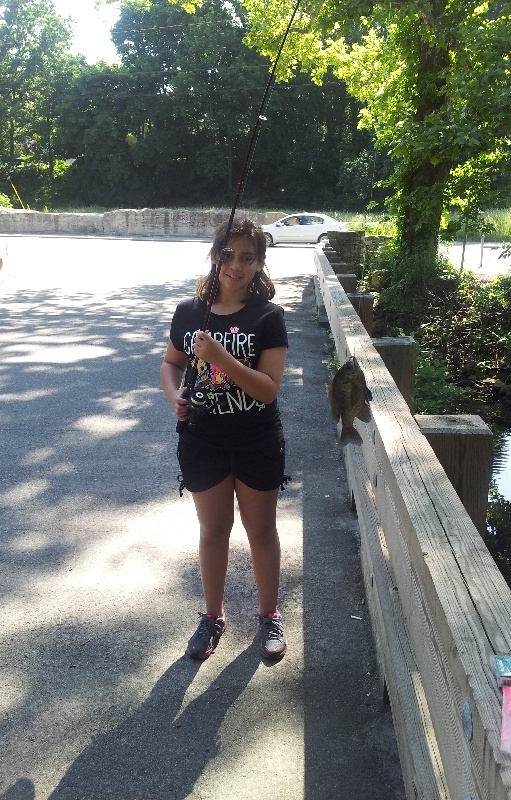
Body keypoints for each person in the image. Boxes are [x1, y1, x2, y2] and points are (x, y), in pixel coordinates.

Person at [160, 217, 289, 661]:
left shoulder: (268, 317)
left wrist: (219, 355)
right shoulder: (189, 311)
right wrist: (175, 394)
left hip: (256, 439)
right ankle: (212, 617)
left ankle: (269, 615)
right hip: (202, 439)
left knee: (261, 531)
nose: (235, 265)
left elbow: (268, 388)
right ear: (214, 257)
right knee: (213, 530)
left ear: (259, 264)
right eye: (227, 255)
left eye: (246, 257)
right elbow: (170, 364)